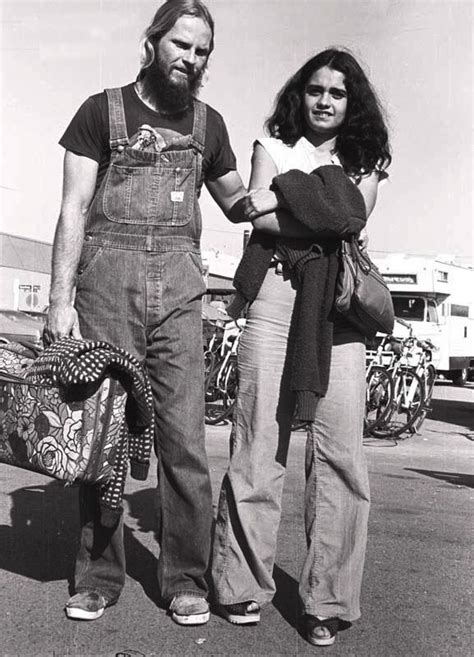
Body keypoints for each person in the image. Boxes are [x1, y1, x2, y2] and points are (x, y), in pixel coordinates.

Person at [44, 0, 247, 626]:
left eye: (202, 51)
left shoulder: (209, 126)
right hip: (106, 291)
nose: (191, 59)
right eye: (181, 45)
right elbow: (74, 210)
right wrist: (58, 301)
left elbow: (237, 201)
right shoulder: (99, 111)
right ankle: (98, 576)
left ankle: (187, 578)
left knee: (185, 440)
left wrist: (293, 189)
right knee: (102, 435)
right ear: (152, 42)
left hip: (182, 298)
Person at [212, 48, 391, 646]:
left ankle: (328, 599)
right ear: (300, 92)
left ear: (352, 102)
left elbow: (350, 221)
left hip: (337, 308)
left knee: (340, 453)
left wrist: (280, 196)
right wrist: (303, 204)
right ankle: (241, 586)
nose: (324, 101)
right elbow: (257, 221)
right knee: (260, 439)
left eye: (338, 93)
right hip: (273, 296)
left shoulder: (366, 158)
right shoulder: (274, 142)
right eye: (315, 89)